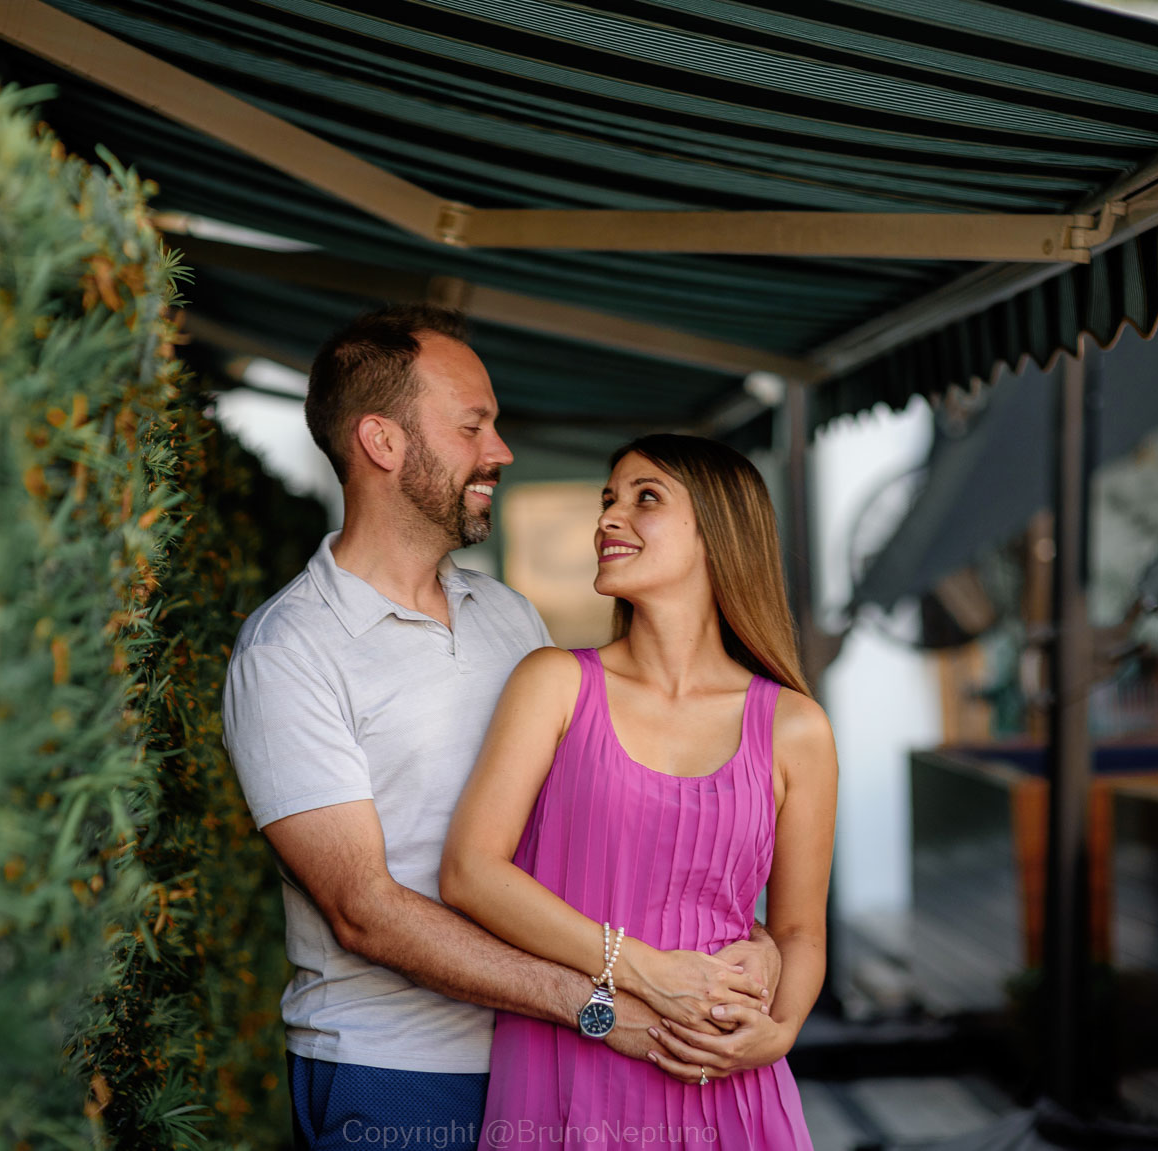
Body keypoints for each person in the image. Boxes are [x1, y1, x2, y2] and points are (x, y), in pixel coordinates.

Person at [221, 307, 778, 1151]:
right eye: (473, 425)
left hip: (560, 1061)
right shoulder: (287, 650)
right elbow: (363, 911)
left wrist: (758, 946)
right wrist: (601, 1004)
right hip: (403, 1076)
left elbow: (601, 826)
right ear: (383, 441)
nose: (501, 451)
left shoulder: (508, 616)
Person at [441, 434, 839, 1150]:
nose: (609, 518)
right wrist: (645, 973)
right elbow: (471, 872)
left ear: (717, 532)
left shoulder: (795, 727)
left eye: (644, 497)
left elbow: (802, 931)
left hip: (726, 1083)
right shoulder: (554, 683)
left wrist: (775, 1036)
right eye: (608, 499)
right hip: (568, 1068)